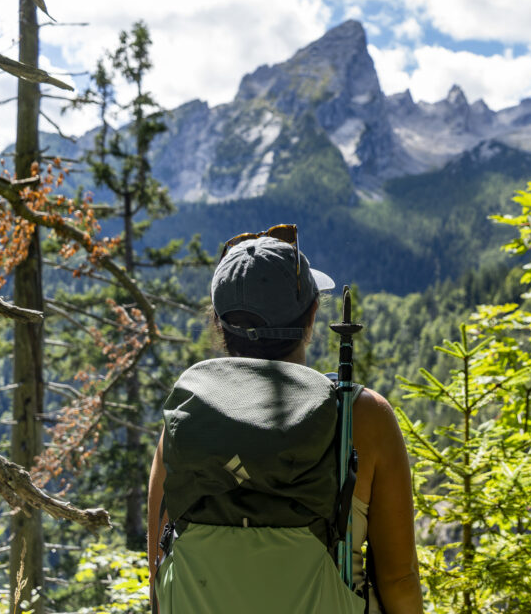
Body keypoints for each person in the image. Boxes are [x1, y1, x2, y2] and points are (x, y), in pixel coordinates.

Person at [147, 226, 423, 613]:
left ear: (218, 323)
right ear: (312, 317)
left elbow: (159, 575)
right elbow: (400, 579)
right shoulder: (361, 416)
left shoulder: (187, 419)